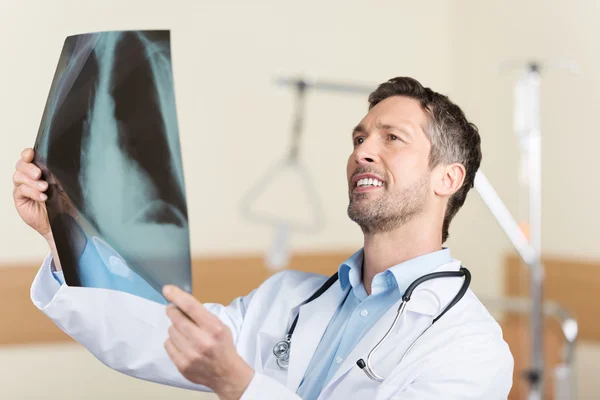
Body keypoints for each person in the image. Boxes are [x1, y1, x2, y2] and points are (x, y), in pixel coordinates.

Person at [13, 77, 514, 399]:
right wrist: (61, 231)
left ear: (448, 178)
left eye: (391, 138)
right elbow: (156, 337)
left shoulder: (470, 348)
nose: (362, 151)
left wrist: (240, 384)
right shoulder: (287, 299)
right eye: (359, 138)